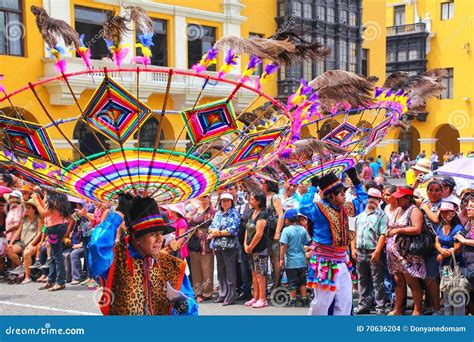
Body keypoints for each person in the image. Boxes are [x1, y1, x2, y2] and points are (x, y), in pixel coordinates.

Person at [88, 194, 197, 315]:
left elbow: (191, 310)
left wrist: (182, 303)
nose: (160, 239)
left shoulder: (172, 265)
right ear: (135, 237)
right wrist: (119, 214)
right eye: (152, 234)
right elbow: (97, 247)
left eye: (160, 232)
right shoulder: (115, 259)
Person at [299, 168, 368, 315]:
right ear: (331, 195)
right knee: (322, 303)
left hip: (343, 262)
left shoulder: (346, 208)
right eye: (341, 193)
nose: (344, 195)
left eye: (344, 193)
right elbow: (303, 207)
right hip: (325, 263)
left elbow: (363, 201)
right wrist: (312, 187)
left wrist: (356, 180)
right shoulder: (319, 210)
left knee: (345, 302)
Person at [385, 186, 425, 315]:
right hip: (395, 254)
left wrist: (398, 230)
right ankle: (398, 309)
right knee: (398, 281)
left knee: (412, 282)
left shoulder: (414, 210)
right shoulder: (397, 210)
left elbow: (417, 228)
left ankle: (417, 309)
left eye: (399, 198)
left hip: (407, 253)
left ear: (408, 198)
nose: (396, 199)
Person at [352, 188, 388, 315]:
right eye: (370, 197)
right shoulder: (360, 216)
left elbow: (383, 235)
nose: (371, 200)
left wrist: (377, 252)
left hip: (374, 251)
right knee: (362, 280)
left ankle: (380, 307)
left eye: (375, 198)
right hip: (360, 252)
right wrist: (353, 249)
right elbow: (354, 233)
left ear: (379, 201)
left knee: (377, 281)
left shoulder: (382, 215)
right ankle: (364, 305)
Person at [32, 190, 70, 292]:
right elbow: (46, 207)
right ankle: (51, 280)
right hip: (57, 227)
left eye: (46, 191)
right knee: (53, 256)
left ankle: (60, 282)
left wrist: (35, 200)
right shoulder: (57, 200)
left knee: (57, 256)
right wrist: (40, 200)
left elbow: (44, 213)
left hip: (55, 229)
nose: (45, 193)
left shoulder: (54, 201)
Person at [208, 193, 240, 306]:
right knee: (221, 272)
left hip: (229, 245)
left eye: (227, 200)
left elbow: (233, 229)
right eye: (223, 201)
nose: (225, 202)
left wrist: (218, 232)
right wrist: (214, 231)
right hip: (218, 244)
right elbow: (211, 227)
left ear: (231, 202)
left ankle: (231, 296)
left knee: (230, 271)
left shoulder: (234, 213)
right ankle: (222, 294)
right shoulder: (218, 213)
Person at [435, 200, 465, 315]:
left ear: (453, 213)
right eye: (442, 212)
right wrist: (441, 250)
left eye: (447, 212)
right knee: (447, 297)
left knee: (458, 298)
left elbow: (457, 247)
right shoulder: (440, 226)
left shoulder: (458, 228)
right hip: (445, 266)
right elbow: (436, 241)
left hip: (457, 266)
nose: (444, 214)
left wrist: (441, 254)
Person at [279, 209, 311, 307]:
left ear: (287, 220)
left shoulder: (286, 230)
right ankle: (304, 298)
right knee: (302, 280)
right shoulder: (302, 229)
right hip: (301, 260)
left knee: (292, 281)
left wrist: (281, 259)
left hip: (291, 261)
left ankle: (293, 299)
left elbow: (283, 245)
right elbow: (307, 242)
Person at [6, 199, 42, 283]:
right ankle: (22, 265)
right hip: (22, 243)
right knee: (9, 249)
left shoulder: (38, 219)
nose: (26, 210)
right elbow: (18, 231)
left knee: (26, 253)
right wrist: (11, 243)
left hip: (33, 243)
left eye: (29, 208)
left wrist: (32, 243)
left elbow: (39, 233)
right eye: (26, 208)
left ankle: (27, 277)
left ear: (34, 209)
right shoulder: (23, 219)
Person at [187, 195, 215, 303]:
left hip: (206, 242)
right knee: (195, 269)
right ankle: (197, 292)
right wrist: (194, 230)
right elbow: (189, 224)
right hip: (194, 241)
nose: (203, 199)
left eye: (206, 197)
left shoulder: (213, 211)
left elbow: (214, 224)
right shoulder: (195, 210)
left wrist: (204, 232)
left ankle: (207, 293)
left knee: (206, 268)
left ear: (209, 198)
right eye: (202, 197)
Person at [244, 192, 269, 308]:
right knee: (254, 273)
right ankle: (256, 296)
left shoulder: (263, 214)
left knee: (260, 274)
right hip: (250, 249)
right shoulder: (251, 213)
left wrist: (251, 246)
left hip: (260, 248)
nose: (250, 201)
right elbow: (247, 230)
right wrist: (245, 244)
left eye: (253, 199)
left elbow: (259, 234)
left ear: (259, 201)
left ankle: (263, 299)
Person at [261, 180, 284, 289]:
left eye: (263, 183)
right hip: (264, 232)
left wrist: (277, 232)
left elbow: (280, 215)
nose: (261, 185)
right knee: (266, 257)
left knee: (275, 257)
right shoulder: (262, 197)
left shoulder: (275, 197)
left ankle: (276, 283)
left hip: (272, 232)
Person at [454, 199, 474, 315]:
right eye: (468, 206)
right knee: (470, 293)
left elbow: (463, 239)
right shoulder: (470, 222)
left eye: (472, 207)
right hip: (469, 264)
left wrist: (464, 240)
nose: (468, 209)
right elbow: (461, 233)